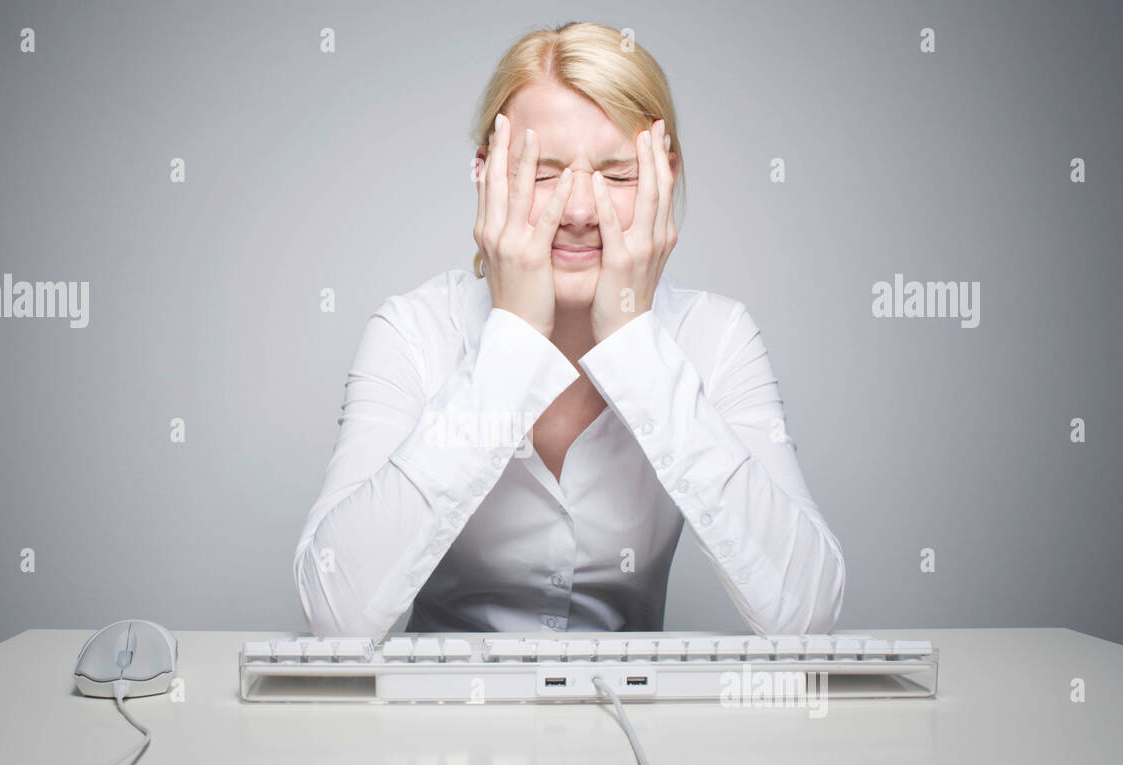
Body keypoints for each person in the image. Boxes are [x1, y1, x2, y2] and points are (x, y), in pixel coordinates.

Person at [294, 21, 844, 639]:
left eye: (617, 174)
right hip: (443, 721)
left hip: (636, 727)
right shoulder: (413, 333)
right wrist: (514, 341)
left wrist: (635, 343)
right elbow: (336, 616)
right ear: (487, 175)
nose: (581, 213)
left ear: (665, 177)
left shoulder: (717, 336)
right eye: (543, 173)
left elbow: (808, 614)